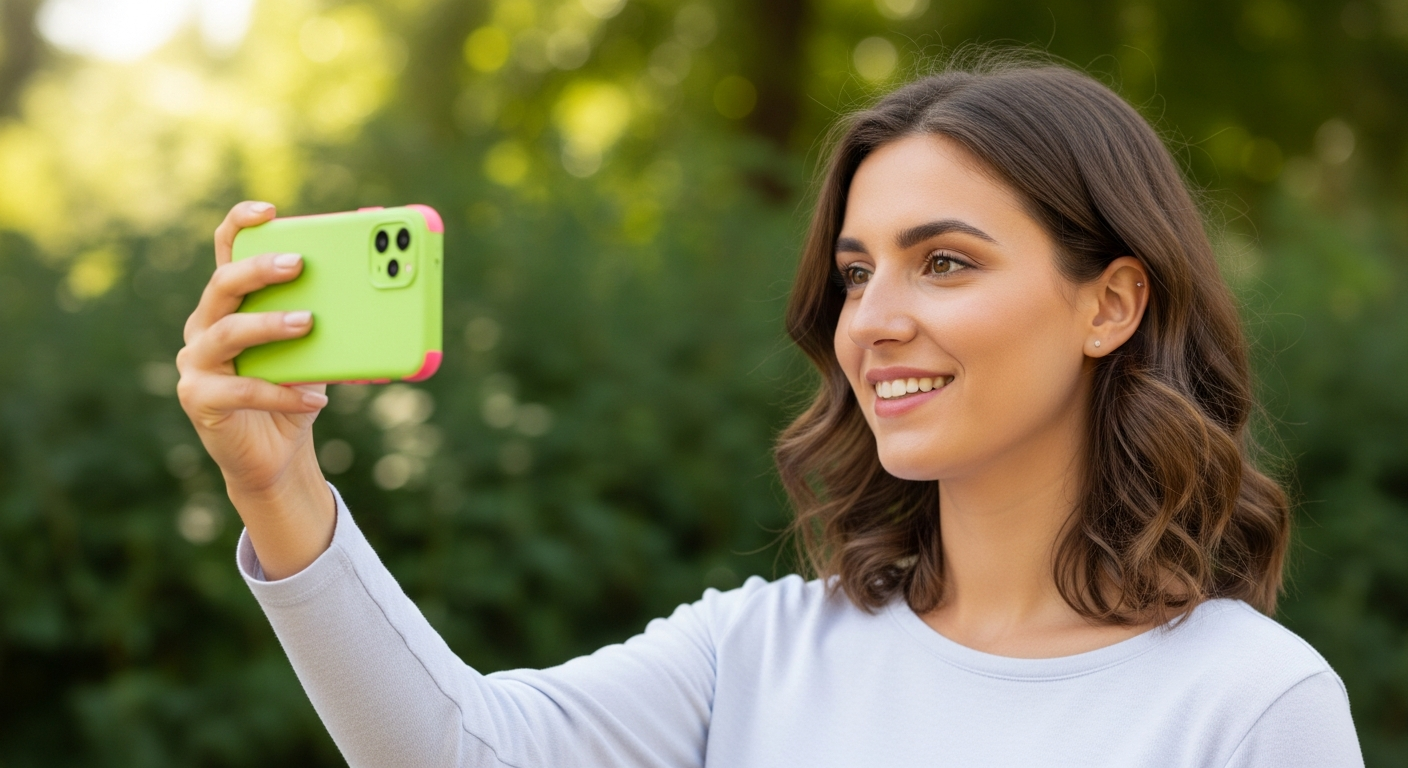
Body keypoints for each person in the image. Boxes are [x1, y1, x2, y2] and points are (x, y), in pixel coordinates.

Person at [176, 57, 1363, 766]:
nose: (873, 320)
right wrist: (279, 484)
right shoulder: (756, 652)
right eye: (855, 274)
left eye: (943, 262)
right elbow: (454, 752)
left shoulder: (1252, 701)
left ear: (1108, 303)